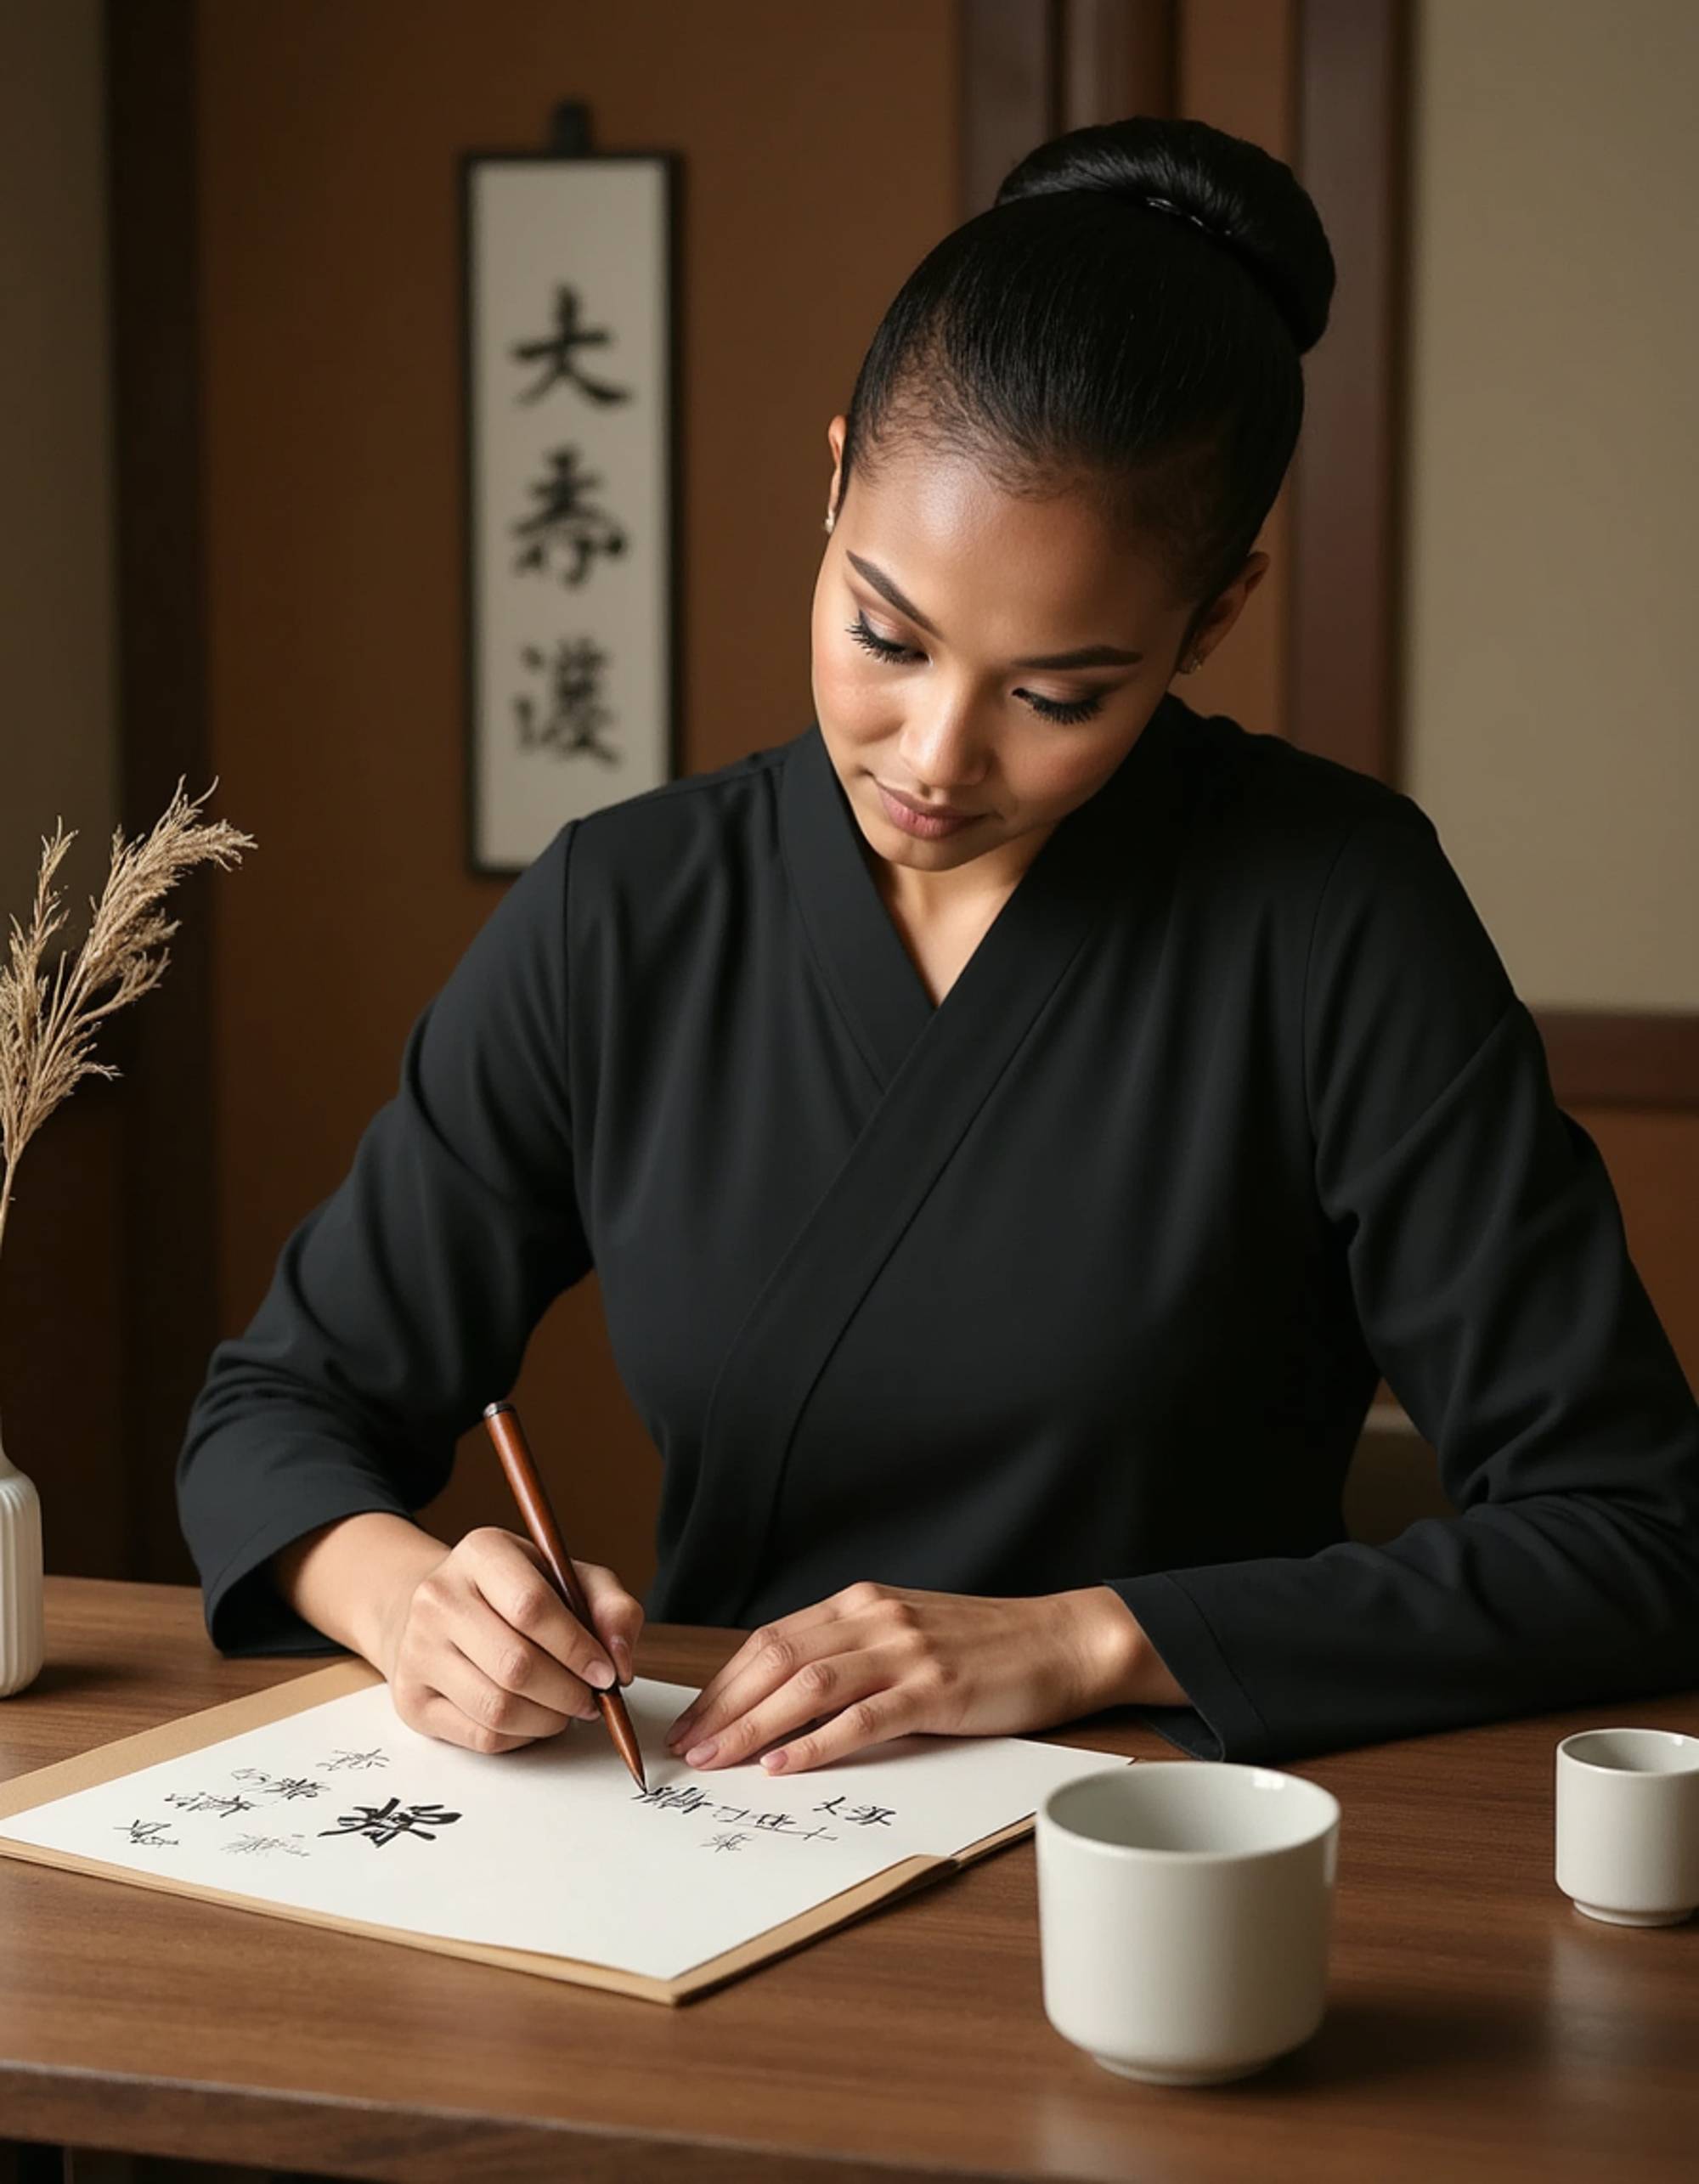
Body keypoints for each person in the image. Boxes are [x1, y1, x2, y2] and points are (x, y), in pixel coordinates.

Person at [177, 115, 1699, 1773]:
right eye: (883, 635)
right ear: (831, 483)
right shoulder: (626, 909)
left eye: (1058, 696)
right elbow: (279, 1407)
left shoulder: (1333, 913)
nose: (933, 756)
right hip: (714, 1831)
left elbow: (1632, 1527)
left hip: (1164, 1855)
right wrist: (410, 1598)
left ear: (1214, 617)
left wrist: (1083, 1635)